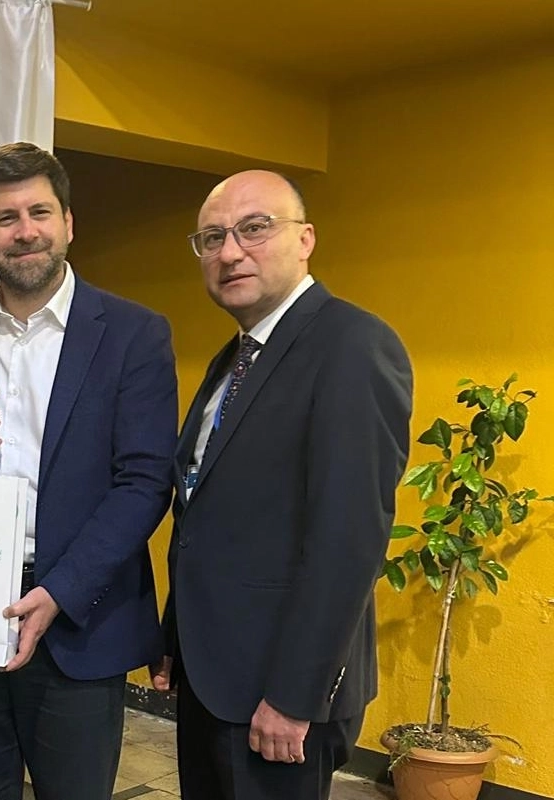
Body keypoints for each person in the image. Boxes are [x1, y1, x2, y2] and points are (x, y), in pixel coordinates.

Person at [0, 143, 178, 800]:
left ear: (68, 223)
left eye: (39, 212)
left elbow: (144, 484)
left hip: (79, 619)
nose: (25, 231)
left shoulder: (134, 333)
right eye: (5, 218)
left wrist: (59, 591)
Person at [153, 170, 413, 800]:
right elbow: (203, 513)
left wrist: (296, 695)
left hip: (280, 695)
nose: (230, 252)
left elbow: (349, 539)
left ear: (305, 239)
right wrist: (174, 637)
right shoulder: (234, 359)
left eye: (254, 228)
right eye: (212, 238)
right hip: (212, 679)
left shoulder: (351, 345)